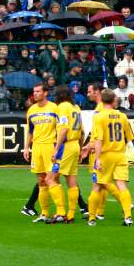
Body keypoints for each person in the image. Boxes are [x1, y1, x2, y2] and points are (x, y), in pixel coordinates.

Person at [86, 88, 134, 226]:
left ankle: (92, 218)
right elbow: (129, 138)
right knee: (122, 185)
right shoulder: (122, 116)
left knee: (97, 186)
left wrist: (97, 159)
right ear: (114, 100)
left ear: (101, 100)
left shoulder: (99, 116)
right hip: (120, 155)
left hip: (105, 155)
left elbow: (98, 140)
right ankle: (128, 216)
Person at [23, 83, 66, 223]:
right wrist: (26, 147)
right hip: (37, 148)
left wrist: (57, 148)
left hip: (50, 146)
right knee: (41, 181)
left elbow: (61, 130)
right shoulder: (31, 110)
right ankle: (45, 213)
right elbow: (30, 131)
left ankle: (61, 211)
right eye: (34, 91)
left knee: (53, 179)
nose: (35, 94)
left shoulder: (55, 108)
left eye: (38, 91)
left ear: (45, 93)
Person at [52, 85, 84, 223]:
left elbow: (64, 129)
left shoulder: (62, 107)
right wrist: (81, 148)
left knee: (50, 179)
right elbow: (82, 131)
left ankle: (60, 212)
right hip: (75, 144)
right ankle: (70, 215)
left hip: (66, 146)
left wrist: (56, 148)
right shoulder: (76, 107)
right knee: (71, 180)